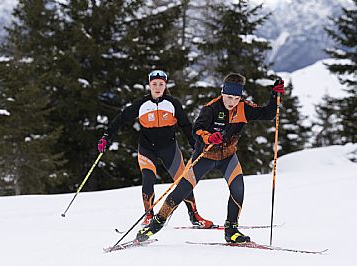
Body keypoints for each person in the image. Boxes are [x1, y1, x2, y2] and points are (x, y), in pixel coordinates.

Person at [136, 72, 284, 243]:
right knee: (181, 191)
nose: (232, 102)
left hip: (228, 157)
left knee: (238, 189)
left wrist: (275, 96)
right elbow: (196, 129)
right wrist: (208, 137)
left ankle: (231, 230)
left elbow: (267, 114)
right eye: (229, 97)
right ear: (222, 93)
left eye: (236, 98)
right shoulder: (211, 108)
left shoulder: (243, 108)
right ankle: (155, 224)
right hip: (204, 156)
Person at [97, 70, 213, 228]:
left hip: (169, 149)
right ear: (149, 85)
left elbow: (186, 126)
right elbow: (121, 119)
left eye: (161, 84)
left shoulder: (173, 103)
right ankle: (148, 215)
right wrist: (106, 137)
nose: (157, 87)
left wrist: (196, 146)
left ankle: (194, 215)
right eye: (154, 84)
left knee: (183, 180)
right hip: (147, 149)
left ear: (165, 85)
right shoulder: (141, 104)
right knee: (148, 179)